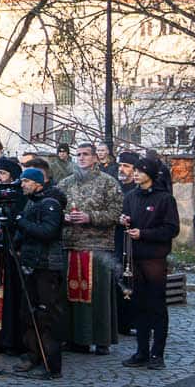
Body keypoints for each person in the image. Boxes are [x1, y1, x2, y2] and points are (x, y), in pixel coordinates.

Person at [59, 141, 123, 354]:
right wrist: (65, 217)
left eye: (86, 154)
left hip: (98, 245)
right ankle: (74, 338)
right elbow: (53, 207)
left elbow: (116, 213)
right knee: (71, 294)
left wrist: (90, 216)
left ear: (96, 157)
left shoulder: (108, 183)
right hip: (71, 244)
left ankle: (101, 339)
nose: (82, 158)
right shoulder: (66, 183)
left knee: (97, 295)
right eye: (78, 154)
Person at [121, 152, 179, 368]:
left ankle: (158, 354)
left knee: (156, 306)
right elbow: (126, 217)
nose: (135, 174)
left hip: (154, 258)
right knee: (138, 306)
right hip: (134, 257)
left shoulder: (164, 199)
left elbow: (171, 229)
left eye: (139, 171)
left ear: (150, 174)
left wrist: (144, 234)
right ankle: (141, 351)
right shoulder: (130, 197)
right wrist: (124, 221)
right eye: (134, 171)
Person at [11, 166, 66, 376]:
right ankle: (33, 354)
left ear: (37, 184)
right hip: (31, 264)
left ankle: (52, 364)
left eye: (25, 182)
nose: (22, 185)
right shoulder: (31, 203)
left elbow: (47, 232)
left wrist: (19, 221)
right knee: (28, 313)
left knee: (46, 315)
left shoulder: (50, 204)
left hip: (46, 267)